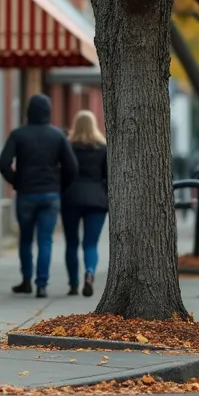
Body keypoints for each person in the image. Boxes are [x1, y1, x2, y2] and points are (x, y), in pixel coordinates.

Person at [0, 94, 77, 298]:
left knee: (25, 239)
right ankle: (42, 284)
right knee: (45, 240)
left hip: (26, 194)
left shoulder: (18, 134)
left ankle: (26, 280)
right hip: (50, 194)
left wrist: (16, 181)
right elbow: (72, 167)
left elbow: (3, 163)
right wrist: (60, 186)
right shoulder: (57, 135)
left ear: (29, 111)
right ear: (48, 111)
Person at [62, 110, 109, 298]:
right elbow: (107, 176)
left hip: (71, 198)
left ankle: (73, 284)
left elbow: (63, 172)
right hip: (96, 199)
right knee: (91, 244)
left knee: (71, 243)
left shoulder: (68, 146)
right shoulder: (103, 147)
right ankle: (89, 272)